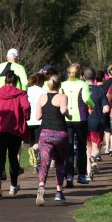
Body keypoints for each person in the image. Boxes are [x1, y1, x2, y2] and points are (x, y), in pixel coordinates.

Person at [0, 70, 30, 197]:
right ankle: (13, 185)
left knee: (0, 158)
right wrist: (26, 117)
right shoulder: (20, 93)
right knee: (13, 157)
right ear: (16, 82)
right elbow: (26, 107)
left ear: (5, 81)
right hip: (14, 129)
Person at [35, 73, 70, 206]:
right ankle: (59, 192)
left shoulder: (42, 97)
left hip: (45, 134)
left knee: (45, 162)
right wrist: (69, 115)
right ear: (59, 84)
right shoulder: (62, 97)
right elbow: (63, 111)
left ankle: (41, 186)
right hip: (60, 134)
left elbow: (38, 116)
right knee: (60, 162)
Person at [61, 62, 94, 186]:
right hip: (81, 118)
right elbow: (86, 99)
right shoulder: (83, 84)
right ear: (80, 73)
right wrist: (93, 105)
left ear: (68, 72)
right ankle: (81, 175)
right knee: (81, 147)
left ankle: (69, 176)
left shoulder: (63, 85)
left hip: (66, 119)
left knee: (68, 147)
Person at [84, 68, 109, 181]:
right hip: (96, 123)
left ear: (84, 78)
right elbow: (106, 109)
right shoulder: (100, 90)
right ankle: (94, 157)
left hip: (84, 123)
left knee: (87, 149)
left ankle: (89, 174)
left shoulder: (81, 90)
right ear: (95, 78)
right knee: (96, 148)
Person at [26, 73, 47, 173]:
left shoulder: (28, 90)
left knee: (32, 141)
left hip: (29, 120)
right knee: (39, 142)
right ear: (42, 81)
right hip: (40, 119)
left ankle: (35, 165)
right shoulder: (43, 91)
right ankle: (37, 158)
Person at [101, 64, 112, 156]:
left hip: (107, 107)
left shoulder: (105, 83)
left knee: (107, 128)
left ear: (108, 73)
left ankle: (107, 147)